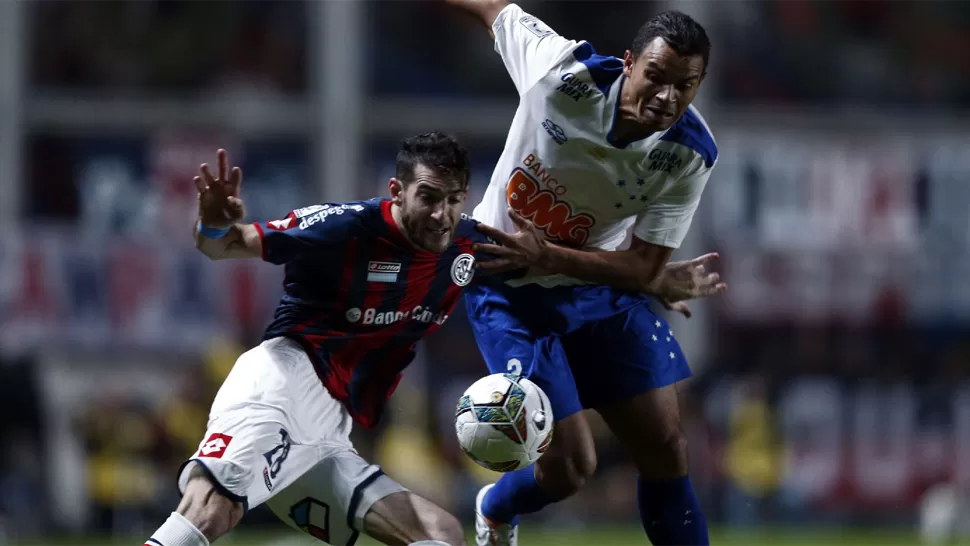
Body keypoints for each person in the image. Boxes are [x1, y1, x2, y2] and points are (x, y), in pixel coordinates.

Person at [144, 132, 514, 546]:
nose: (440, 214)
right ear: (396, 191)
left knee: (439, 533)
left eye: (453, 199)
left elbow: (546, 266)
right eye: (428, 197)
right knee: (211, 507)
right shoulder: (344, 226)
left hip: (329, 429)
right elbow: (225, 244)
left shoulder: (468, 245)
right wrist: (213, 223)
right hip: (281, 385)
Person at [443, 2, 724, 545]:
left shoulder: (689, 154)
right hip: (505, 280)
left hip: (593, 284)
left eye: (684, 86)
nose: (667, 98)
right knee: (571, 467)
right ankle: (495, 507)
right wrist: (644, 276)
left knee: (666, 446)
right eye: (656, 77)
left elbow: (643, 265)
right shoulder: (559, 70)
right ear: (628, 63)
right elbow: (490, 6)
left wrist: (554, 257)